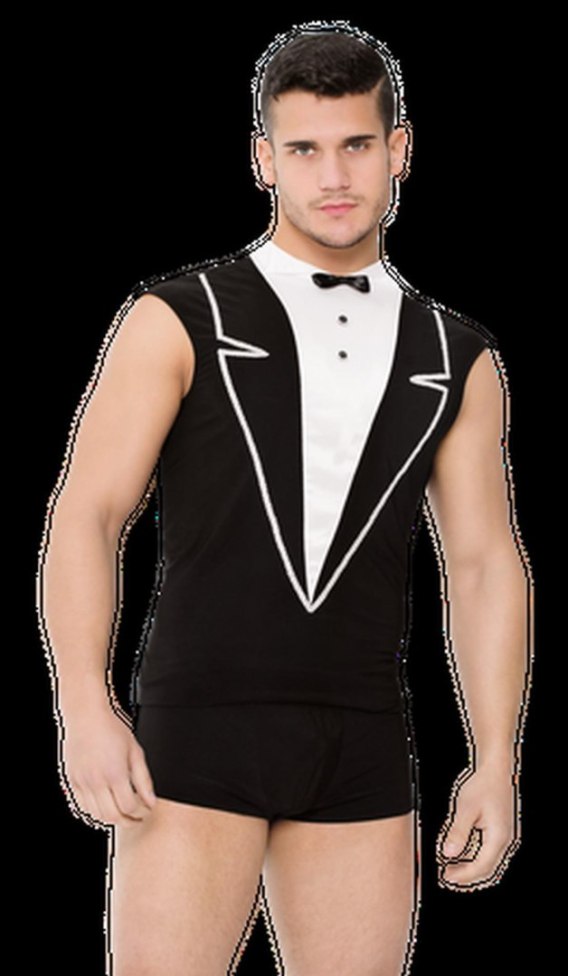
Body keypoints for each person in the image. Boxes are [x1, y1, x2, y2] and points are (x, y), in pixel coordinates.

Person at [38, 21, 530, 976]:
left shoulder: (458, 355)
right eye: (303, 149)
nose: (332, 176)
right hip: (198, 732)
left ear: (399, 149)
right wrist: (84, 706)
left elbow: (482, 564)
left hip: (363, 738)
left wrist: (496, 762)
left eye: (355, 145)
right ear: (264, 159)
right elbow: (87, 516)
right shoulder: (179, 317)